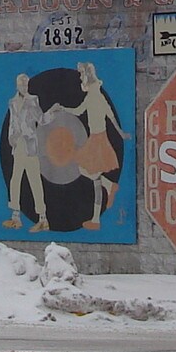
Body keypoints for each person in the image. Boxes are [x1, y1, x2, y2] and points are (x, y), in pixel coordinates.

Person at [74, 60, 121, 230]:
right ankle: (109, 187)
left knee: (91, 176)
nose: (80, 78)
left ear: (86, 76)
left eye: (81, 74)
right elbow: (111, 116)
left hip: (97, 140)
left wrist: (62, 109)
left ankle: (96, 219)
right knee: (88, 173)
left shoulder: (95, 96)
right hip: (96, 139)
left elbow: (108, 115)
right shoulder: (95, 96)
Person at [4, 74, 47, 232]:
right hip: (18, 145)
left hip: (29, 145)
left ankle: (42, 217)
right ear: (17, 85)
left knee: (34, 180)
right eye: (21, 84)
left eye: (26, 84)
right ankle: (16, 216)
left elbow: (41, 119)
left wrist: (53, 113)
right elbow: (12, 122)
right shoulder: (12, 102)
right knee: (15, 180)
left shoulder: (32, 100)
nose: (24, 87)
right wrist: (11, 138)